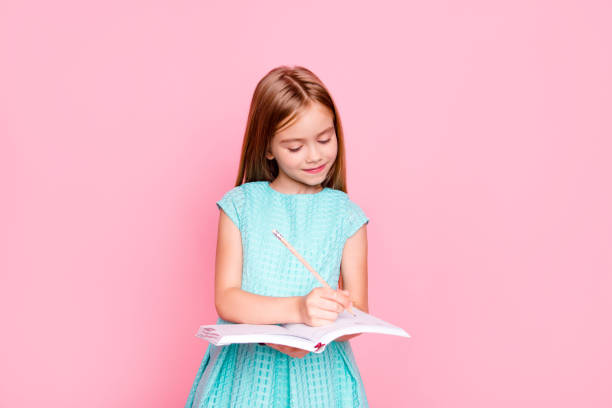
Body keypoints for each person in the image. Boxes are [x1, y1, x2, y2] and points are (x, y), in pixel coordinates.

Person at [185, 65, 370, 407]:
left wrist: (340, 310)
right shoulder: (240, 205)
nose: (315, 155)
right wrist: (299, 308)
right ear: (268, 148)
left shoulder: (347, 215)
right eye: (295, 147)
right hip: (247, 376)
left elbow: (359, 313)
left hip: (321, 379)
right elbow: (226, 298)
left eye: (325, 139)